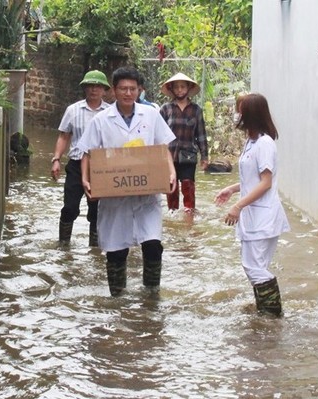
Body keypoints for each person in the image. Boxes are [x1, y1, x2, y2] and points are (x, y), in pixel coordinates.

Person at [76, 66, 177, 296]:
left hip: (146, 196)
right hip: (115, 198)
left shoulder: (150, 114)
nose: (128, 93)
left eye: (132, 88)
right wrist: (85, 179)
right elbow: (88, 153)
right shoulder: (101, 120)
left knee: (153, 245)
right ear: (114, 90)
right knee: (116, 250)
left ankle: (151, 297)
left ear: (139, 90)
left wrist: (171, 173)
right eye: (123, 88)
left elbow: (163, 148)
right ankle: (117, 298)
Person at [214, 93, 290, 316]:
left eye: (240, 109)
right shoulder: (251, 141)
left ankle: (273, 314)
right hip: (256, 215)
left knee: (253, 268)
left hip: (262, 216)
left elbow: (266, 183)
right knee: (257, 267)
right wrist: (231, 189)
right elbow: (253, 179)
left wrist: (238, 206)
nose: (237, 114)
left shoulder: (265, 143)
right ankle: (265, 313)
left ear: (251, 114)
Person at [51, 69, 111, 246]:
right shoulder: (73, 110)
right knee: (70, 207)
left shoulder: (110, 112)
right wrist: (56, 159)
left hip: (101, 166)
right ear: (85, 88)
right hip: (76, 164)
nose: (94, 90)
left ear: (104, 90)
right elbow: (64, 136)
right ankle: (63, 244)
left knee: (98, 210)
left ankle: (95, 248)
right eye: (90, 86)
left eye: (98, 86)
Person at [159, 72, 209, 213]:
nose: (180, 90)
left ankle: (190, 213)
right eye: (176, 87)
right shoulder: (165, 109)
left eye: (182, 87)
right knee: (171, 186)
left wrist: (204, 157)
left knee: (188, 185)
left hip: (189, 155)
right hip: (169, 155)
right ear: (172, 89)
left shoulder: (196, 110)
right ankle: (172, 213)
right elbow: (158, 134)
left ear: (188, 88)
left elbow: (201, 134)